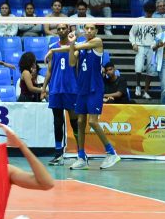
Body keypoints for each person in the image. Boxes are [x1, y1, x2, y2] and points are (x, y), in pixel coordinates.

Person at [49, 23, 121, 170]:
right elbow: (71, 62)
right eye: (86, 28)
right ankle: (81, 157)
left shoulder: (97, 42)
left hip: (95, 88)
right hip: (82, 89)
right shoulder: (79, 46)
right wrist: (72, 43)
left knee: (93, 122)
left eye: (91, 29)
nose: (89, 31)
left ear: (96, 31)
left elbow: (75, 47)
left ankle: (111, 152)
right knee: (80, 121)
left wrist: (53, 50)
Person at [42, 23, 79, 166]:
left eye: (64, 28)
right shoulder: (52, 47)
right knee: (57, 122)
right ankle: (58, 154)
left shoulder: (75, 45)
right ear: (57, 31)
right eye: (59, 29)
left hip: (71, 88)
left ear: (68, 30)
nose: (62, 30)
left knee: (74, 122)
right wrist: (44, 87)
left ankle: (80, 153)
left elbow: (74, 64)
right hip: (56, 88)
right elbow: (50, 70)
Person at [128, 1, 159, 99]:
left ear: (153, 11)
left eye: (151, 11)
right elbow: (132, 33)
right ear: (144, 11)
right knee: (139, 67)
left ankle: (146, 91)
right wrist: (133, 43)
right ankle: (138, 86)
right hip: (140, 46)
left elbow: (159, 36)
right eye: (148, 11)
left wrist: (156, 44)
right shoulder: (139, 20)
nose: (149, 13)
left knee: (151, 70)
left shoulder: (156, 22)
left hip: (151, 47)